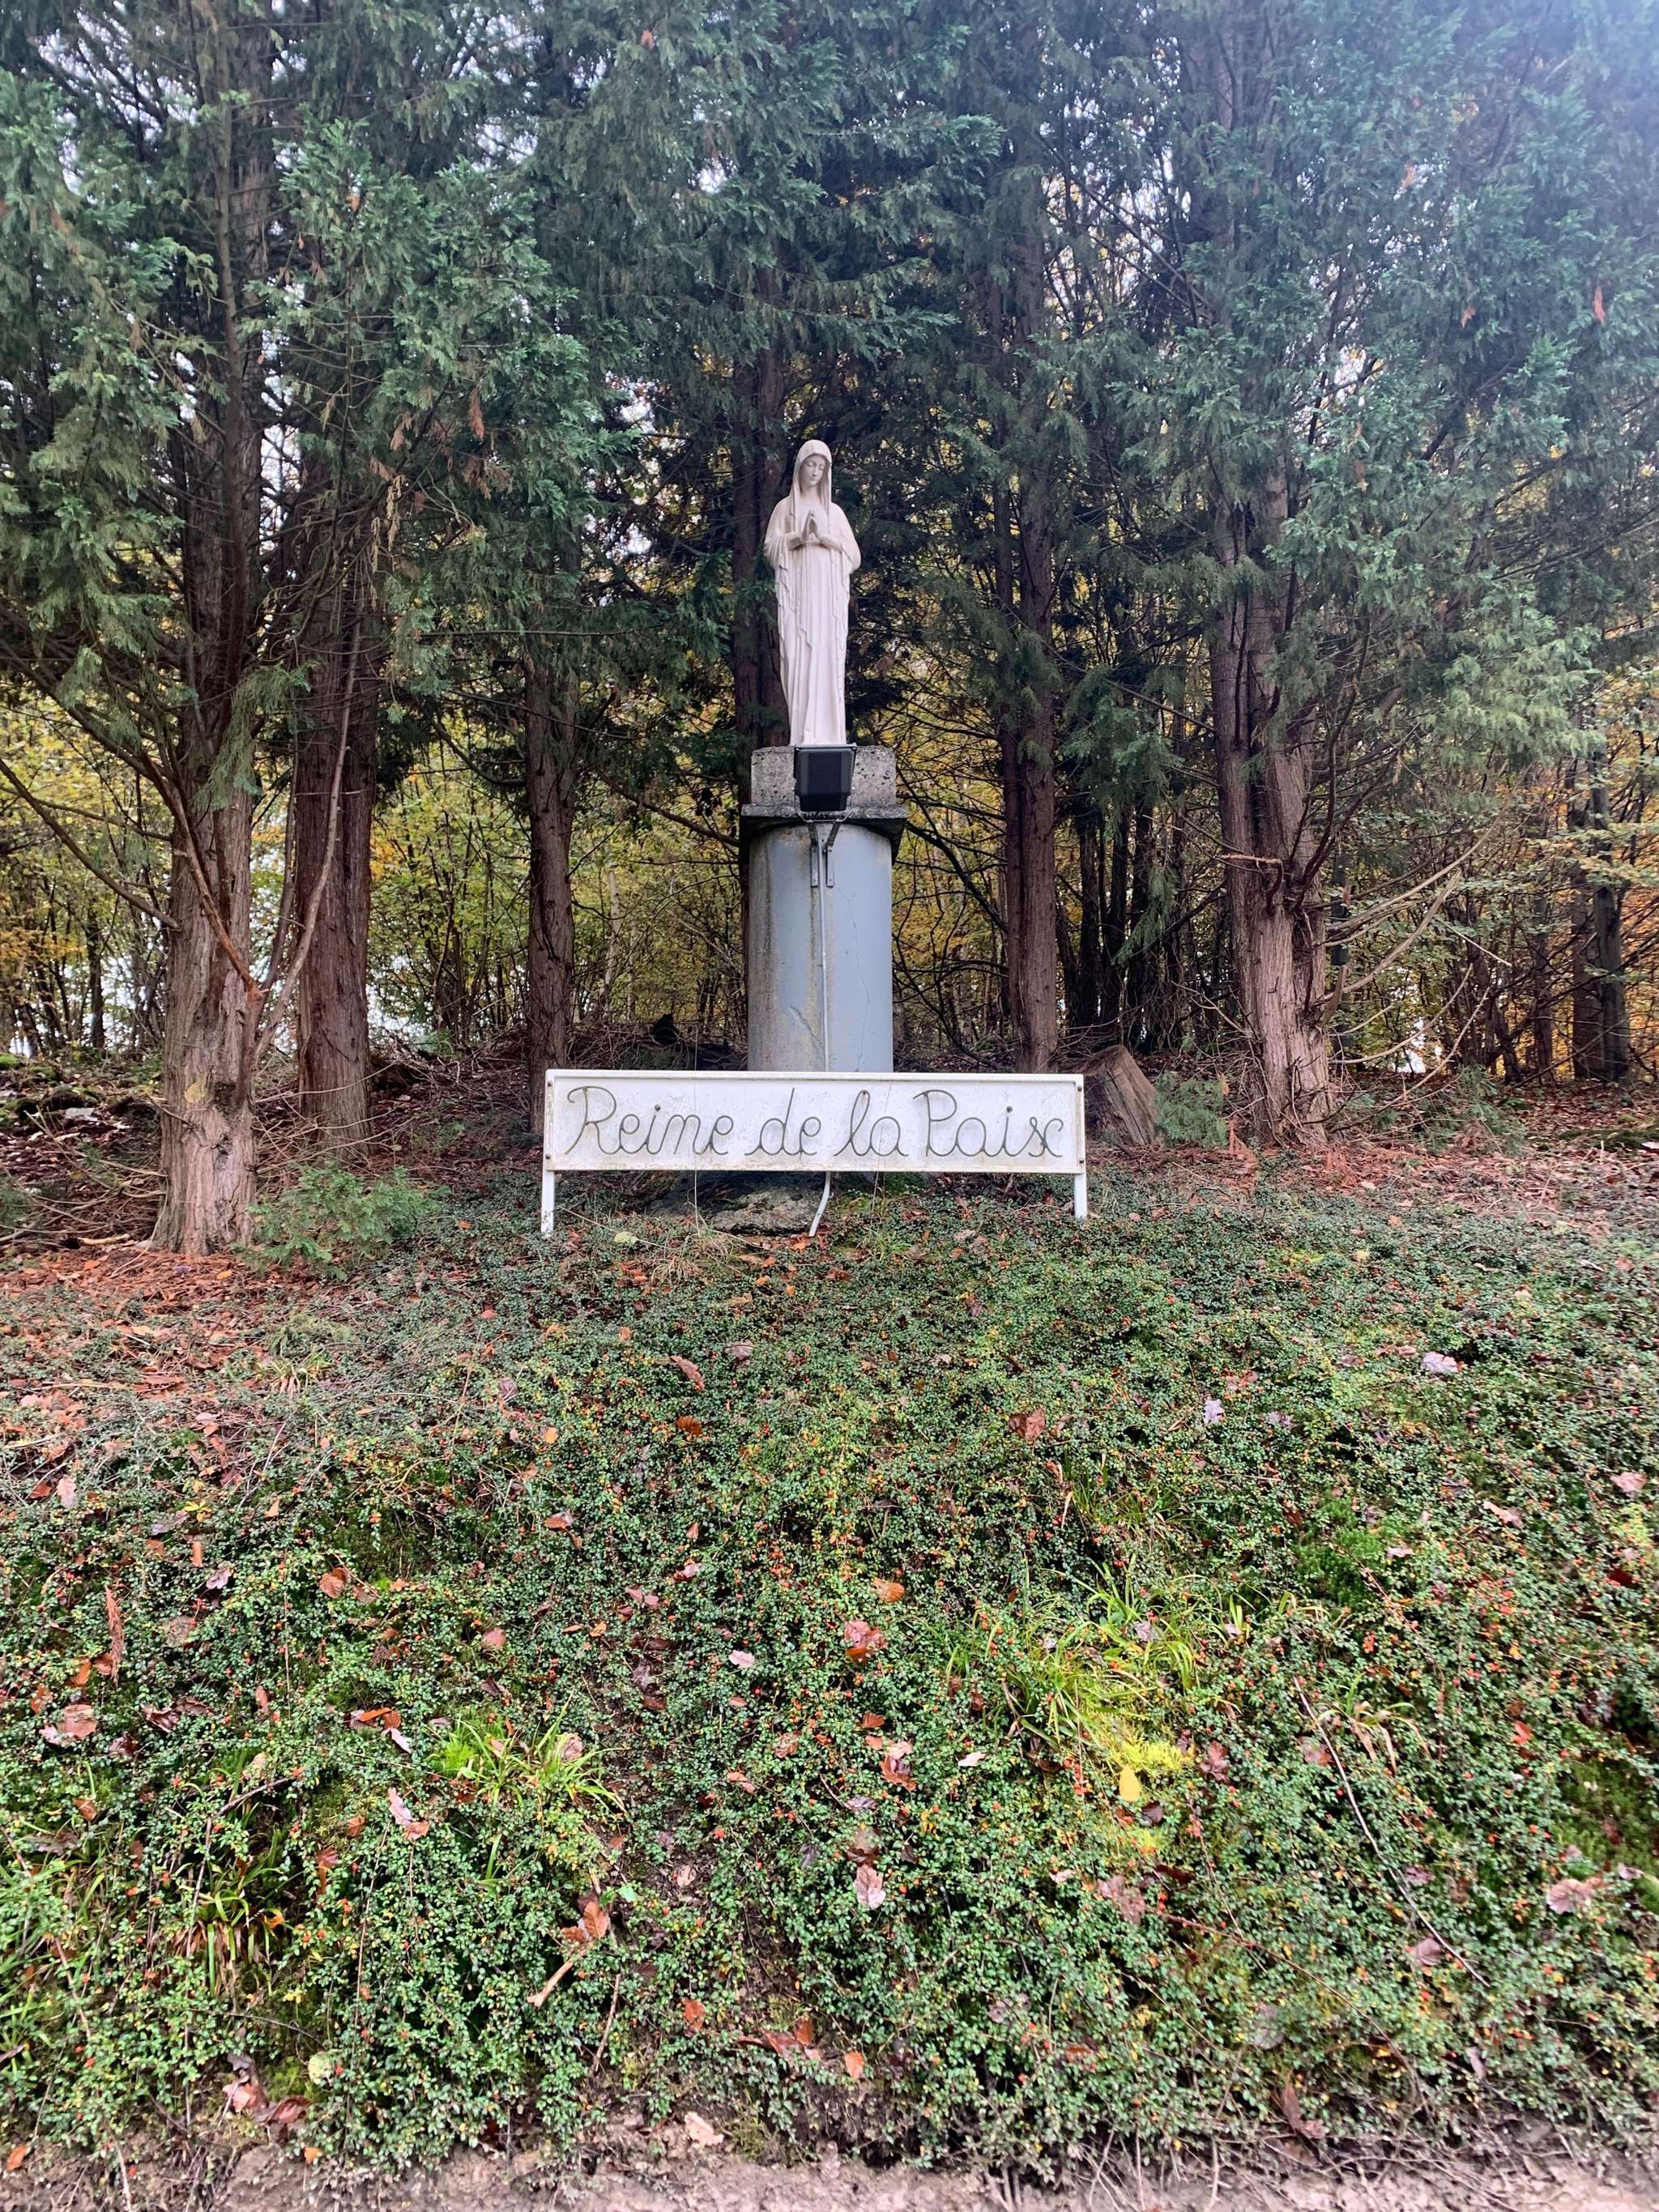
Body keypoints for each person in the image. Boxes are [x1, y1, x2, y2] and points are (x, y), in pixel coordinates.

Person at [763, 441, 861, 747]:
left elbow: (854, 556)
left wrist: (826, 539)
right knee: (798, 656)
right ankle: (803, 732)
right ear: (800, 466)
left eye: (821, 467)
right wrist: (799, 537)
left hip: (827, 600)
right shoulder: (785, 509)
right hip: (799, 599)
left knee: (826, 656)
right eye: (811, 465)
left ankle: (830, 733)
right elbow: (770, 549)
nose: (816, 472)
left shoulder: (835, 513)